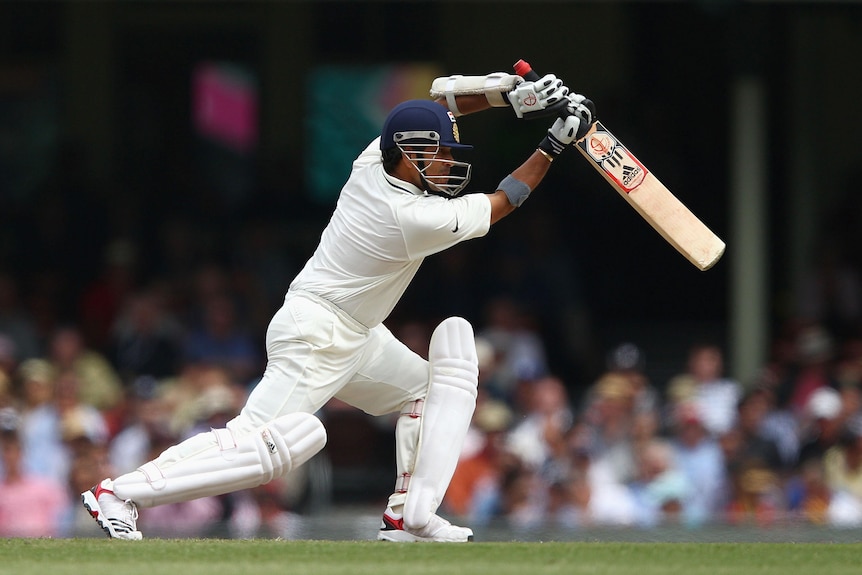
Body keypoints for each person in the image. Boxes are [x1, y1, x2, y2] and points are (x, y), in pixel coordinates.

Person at [80, 69, 596, 542]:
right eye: (440, 153)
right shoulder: (410, 216)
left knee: (428, 391)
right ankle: (118, 493)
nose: (451, 162)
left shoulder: (375, 157)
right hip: (318, 332)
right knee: (259, 444)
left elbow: (442, 101)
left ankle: (405, 517)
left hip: (356, 334)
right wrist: (553, 143)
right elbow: (503, 200)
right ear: (411, 153)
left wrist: (511, 94)